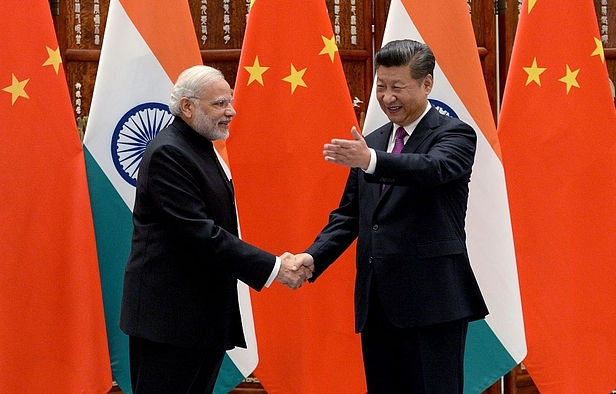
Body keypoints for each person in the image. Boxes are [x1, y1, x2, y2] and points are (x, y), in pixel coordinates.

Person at [294, 40, 488, 393]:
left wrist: (371, 161)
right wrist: (312, 256)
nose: (387, 98)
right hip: (377, 303)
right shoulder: (374, 141)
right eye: (381, 87)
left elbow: (432, 168)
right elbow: (349, 217)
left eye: (397, 87)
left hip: (433, 303)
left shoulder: (454, 134)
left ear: (426, 84)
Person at [120, 65, 310, 394]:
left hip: (198, 320)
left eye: (230, 102)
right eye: (220, 104)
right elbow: (202, 235)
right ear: (188, 107)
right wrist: (276, 267)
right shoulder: (170, 152)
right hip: (169, 323)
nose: (231, 112)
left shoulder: (197, 144)